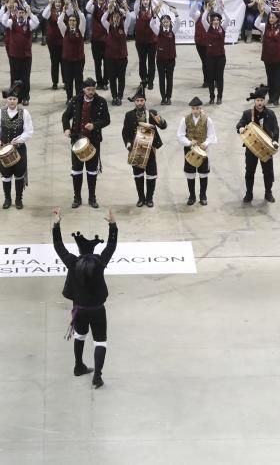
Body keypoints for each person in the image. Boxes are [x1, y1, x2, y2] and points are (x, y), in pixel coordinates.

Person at [51, 206, 118, 389]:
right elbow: (111, 246)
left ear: (79, 251)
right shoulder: (100, 262)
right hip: (97, 309)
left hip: (79, 309)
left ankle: (78, 365)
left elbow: (59, 247)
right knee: (100, 341)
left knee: (80, 336)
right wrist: (112, 225)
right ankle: (97, 376)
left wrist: (56, 225)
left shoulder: (73, 263)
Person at [62, 78, 111, 208]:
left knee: (91, 170)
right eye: (89, 90)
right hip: (77, 140)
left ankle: (92, 197)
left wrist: (94, 125)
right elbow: (65, 116)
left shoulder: (101, 102)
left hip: (93, 140)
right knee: (77, 170)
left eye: (93, 90)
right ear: (83, 89)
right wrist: (66, 128)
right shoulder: (75, 100)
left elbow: (106, 120)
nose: (91, 92)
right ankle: (77, 198)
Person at [121, 83, 167, 207]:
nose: (140, 103)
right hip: (136, 148)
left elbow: (163, 126)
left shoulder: (151, 113)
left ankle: (149, 198)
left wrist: (161, 121)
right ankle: (141, 198)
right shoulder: (129, 115)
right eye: (137, 101)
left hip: (150, 148)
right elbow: (125, 132)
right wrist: (128, 144)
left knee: (151, 174)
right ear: (134, 102)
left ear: (145, 101)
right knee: (138, 174)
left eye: (141, 100)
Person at [0, 82, 34, 209]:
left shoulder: (24, 113)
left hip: (19, 150)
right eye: (10, 99)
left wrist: (19, 140)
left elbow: (29, 131)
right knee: (6, 174)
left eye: (14, 99)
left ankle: (18, 199)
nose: (12, 101)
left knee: (19, 174)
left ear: (18, 100)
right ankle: (7, 199)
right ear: (6, 100)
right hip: (4, 149)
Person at [236, 85, 279, 203]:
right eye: (257, 100)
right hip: (251, 148)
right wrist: (240, 128)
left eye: (261, 100)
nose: (259, 103)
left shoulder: (271, 114)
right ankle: (249, 193)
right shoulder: (247, 114)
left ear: (264, 101)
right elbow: (239, 124)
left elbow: (276, 129)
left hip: (266, 147)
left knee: (268, 172)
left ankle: (268, 192)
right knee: (249, 171)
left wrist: (275, 140)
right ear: (254, 101)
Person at [177, 96, 217, 206]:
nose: (195, 110)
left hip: (202, 150)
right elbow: (180, 135)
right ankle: (192, 195)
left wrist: (206, 143)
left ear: (200, 108)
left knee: (203, 173)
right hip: (189, 150)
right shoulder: (185, 119)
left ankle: (203, 195)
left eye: (197, 108)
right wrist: (189, 142)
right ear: (191, 109)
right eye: (193, 108)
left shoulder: (207, 120)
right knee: (190, 173)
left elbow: (212, 135)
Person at [0, 1, 40, 105]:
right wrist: (8, 10)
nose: (21, 14)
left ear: (25, 13)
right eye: (19, 12)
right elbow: (3, 20)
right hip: (14, 54)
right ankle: (15, 97)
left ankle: (26, 97)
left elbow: (37, 23)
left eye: (23, 12)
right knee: (14, 76)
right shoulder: (11, 22)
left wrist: (30, 13)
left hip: (26, 55)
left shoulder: (29, 23)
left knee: (25, 77)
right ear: (16, 13)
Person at [255, 0, 280, 106]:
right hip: (268, 57)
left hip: (279, 57)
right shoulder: (265, 27)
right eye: (270, 17)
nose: (271, 19)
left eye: (273, 17)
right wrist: (261, 14)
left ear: (277, 18)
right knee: (270, 79)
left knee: (277, 80)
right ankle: (270, 97)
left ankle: (276, 99)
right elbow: (256, 24)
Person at [101, 0, 133, 106]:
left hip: (121, 57)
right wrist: (109, 10)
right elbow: (102, 19)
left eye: (118, 17)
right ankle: (114, 96)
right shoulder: (108, 27)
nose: (116, 18)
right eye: (114, 17)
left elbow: (129, 17)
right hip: (110, 57)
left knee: (121, 78)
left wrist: (124, 8)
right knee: (112, 78)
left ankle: (119, 97)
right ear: (111, 18)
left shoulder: (124, 27)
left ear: (120, 18)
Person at [58, 0, 87, 100]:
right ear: (68, 22)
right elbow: (59, 21)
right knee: (68, 81)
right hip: (67, 61)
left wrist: (78, 9)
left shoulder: (81, 30)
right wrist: (64, 11)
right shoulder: (64, 30)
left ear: (76, 22)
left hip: (79, 60)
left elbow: (83, 19)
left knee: (79, 81)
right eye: (70, 20)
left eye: (74, 20)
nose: (72, 22)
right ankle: (69, 98)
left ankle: (79, 99)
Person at [132, 0, 159, 90]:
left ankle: (151, 81)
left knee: (151, 62)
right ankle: (144, 80)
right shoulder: (137, 10)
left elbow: (156, 2)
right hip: (140, 41)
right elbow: (136, 3)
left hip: (152, 41)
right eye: (144, 0)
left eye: (147, 0)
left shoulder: (153, 10)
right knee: (142, 61)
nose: (145, 1)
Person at [86, 0, 110, 90]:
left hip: (106, 39)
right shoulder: (94, 7)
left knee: (107, 62)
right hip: (96, 39)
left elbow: (115, 4)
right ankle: (99, 82)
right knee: (97, 63)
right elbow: (87, 7)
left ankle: (105, 82)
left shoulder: (109, 7)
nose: (101, 0)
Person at [153, 13, 177, 105]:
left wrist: (176, 14)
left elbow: (178, 23)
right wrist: (155, 15)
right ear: (161, 22)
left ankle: (168, 97)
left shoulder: (173, 31)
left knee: (169, 79)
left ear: (170, 22)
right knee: (162, 79)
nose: (166, 23)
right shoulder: (158, 31)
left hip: (171, 60)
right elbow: (151, 24)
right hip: (160, 60)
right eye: (164, 21)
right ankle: (163, 97)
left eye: (167, 21)